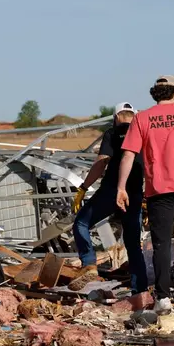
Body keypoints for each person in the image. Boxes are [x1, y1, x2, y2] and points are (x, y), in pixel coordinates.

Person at [117, 75, 174, 314]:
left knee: (160, 244)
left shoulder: (142, 118)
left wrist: (121, 187)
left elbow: (128, 155)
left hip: (159, 189)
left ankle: (164, 297)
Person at [68, 102, 147, 294]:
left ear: (115, 117)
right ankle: (140, 290)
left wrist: (83, 188)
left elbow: (101, 163)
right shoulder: (143, 132)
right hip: (134, 193)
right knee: (133, 244)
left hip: (111, 190)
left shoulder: (112, 134)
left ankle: (88, 264)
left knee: (81, 223)